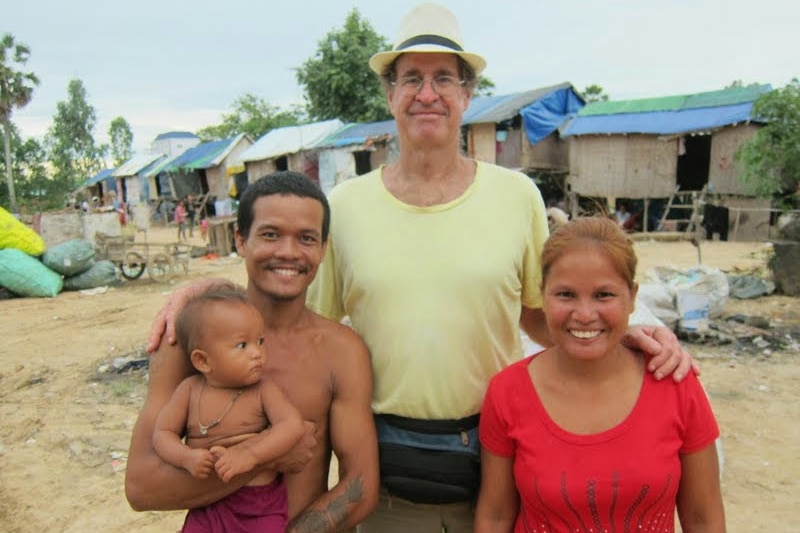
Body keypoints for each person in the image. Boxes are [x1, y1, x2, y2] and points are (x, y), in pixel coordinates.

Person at [147, 5, 694, 532]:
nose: (426, 94)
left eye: (443, 79)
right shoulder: (349, 204)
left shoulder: (516, 195)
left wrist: (624, 339)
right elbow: (293, 314)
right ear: (390, 94)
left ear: (467, 92)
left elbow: (541, 315)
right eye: (411, 78)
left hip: (499, 462)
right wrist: (209, 290)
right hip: (386, 478)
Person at [125, 171, 379, 533]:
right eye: (270, 234)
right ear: (241, 240)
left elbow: (360, 487)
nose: (288, 252)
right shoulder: (189, 340)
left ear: (323, 250)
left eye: (306, 238)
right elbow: (141, 486)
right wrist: (266, 459)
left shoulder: (341, 352)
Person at [475, 217, 725, 532]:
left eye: (603, 295)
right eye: (565, 294)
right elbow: (496, 515)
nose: (584, 314)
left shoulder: (675, 383)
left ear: (632, 297)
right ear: (542, 295)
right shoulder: (508, 392)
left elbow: (703, 518)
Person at [154, 286, 305, 532]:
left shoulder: (263, 390)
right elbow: (162, 434)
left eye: (260, 341)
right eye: (242, 346)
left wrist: (250, 455)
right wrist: (186, 458)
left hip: (260, 506)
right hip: (207, 505)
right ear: (203, 361)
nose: (258, 353)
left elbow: (291, 425)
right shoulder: (189, 391)